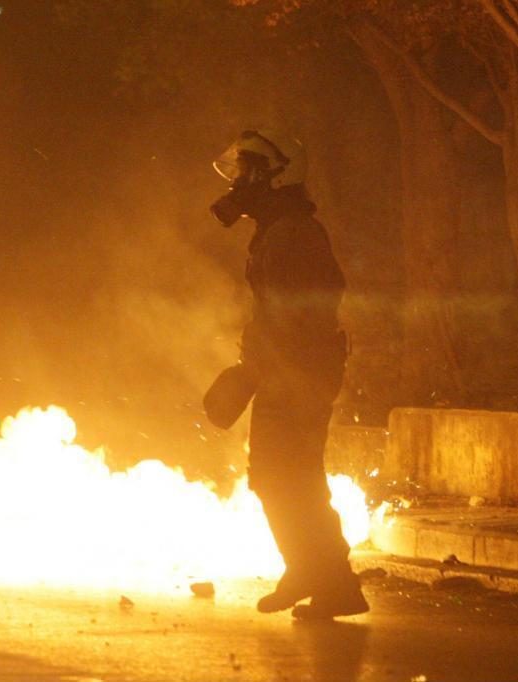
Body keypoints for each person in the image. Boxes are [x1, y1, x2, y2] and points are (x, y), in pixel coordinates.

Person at [204, 130, 368, 619]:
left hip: (298, 372)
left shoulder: (293, 231)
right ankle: (323, 578)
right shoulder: (279, 228)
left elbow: (300, 313)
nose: (238, 183)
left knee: (286, 477)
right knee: (283, 477)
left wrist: (259, 366)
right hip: (288, 370)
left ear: (274, 177)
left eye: (247, 173)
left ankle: (325, 578)